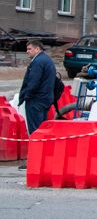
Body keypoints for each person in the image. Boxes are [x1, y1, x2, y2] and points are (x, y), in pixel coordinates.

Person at [18, 40, 56, 169]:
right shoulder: (47, 60)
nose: (27, 51)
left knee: (35, 131)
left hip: (36, 100)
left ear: (37, 49)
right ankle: (43, 159)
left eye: (29, 49)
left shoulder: (38, 62)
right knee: (42, 130)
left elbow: (33, 82)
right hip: (45, 99)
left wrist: (26, 96)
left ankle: (35, 161)